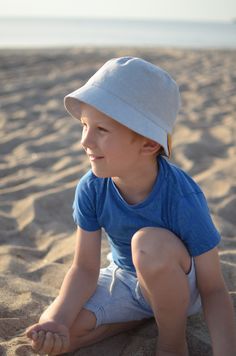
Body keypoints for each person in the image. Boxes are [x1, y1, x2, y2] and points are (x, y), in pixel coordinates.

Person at [26, 57, 236, 356]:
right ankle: (139, 316)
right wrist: (56, 319)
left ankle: (172, 343)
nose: (85, 141)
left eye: (102, 129)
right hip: (124, 279)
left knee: (147, 244)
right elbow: (85, 268)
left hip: (177, 282)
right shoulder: (92, 187)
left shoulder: (181, 196)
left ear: (149, 144)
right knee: (62, 334)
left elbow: (213, 287)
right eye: (84, 126)